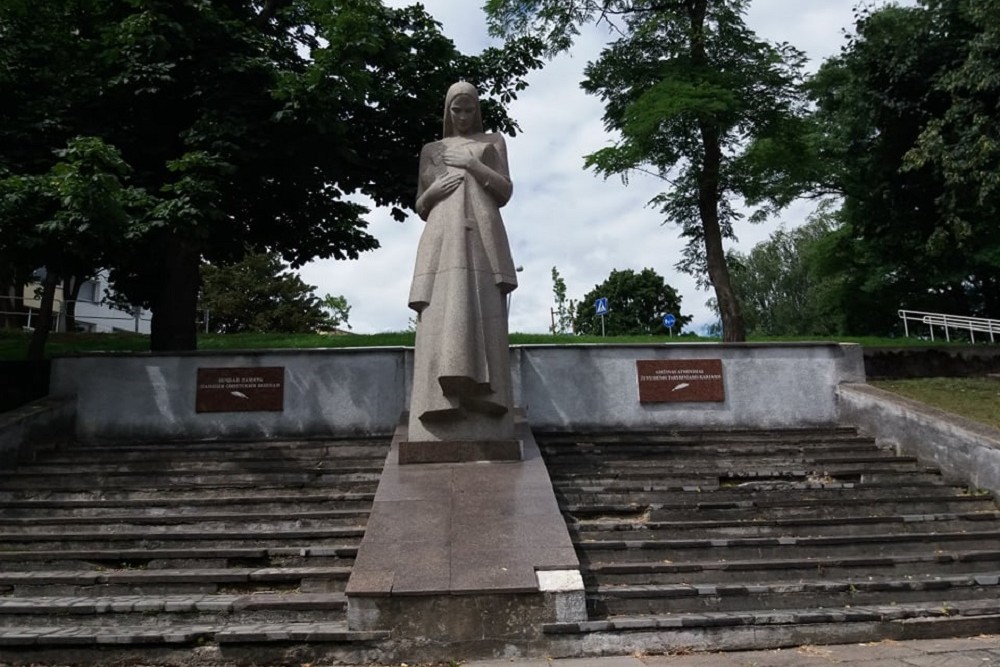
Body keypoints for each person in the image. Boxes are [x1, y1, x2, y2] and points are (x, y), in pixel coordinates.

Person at [406, 81, 518, 443]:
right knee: (440, 313)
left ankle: (484, 396)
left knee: (480, 309)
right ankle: (439, 400)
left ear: (478, 110)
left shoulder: (493, 143)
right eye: (457, 109)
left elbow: (504, 191)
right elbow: (422, 204)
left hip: (481, 237)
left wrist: (473, 164)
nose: (463, 116)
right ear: (447, 111)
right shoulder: (432, 149)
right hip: (441, 238)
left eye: (469, 109)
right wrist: (433, 193)